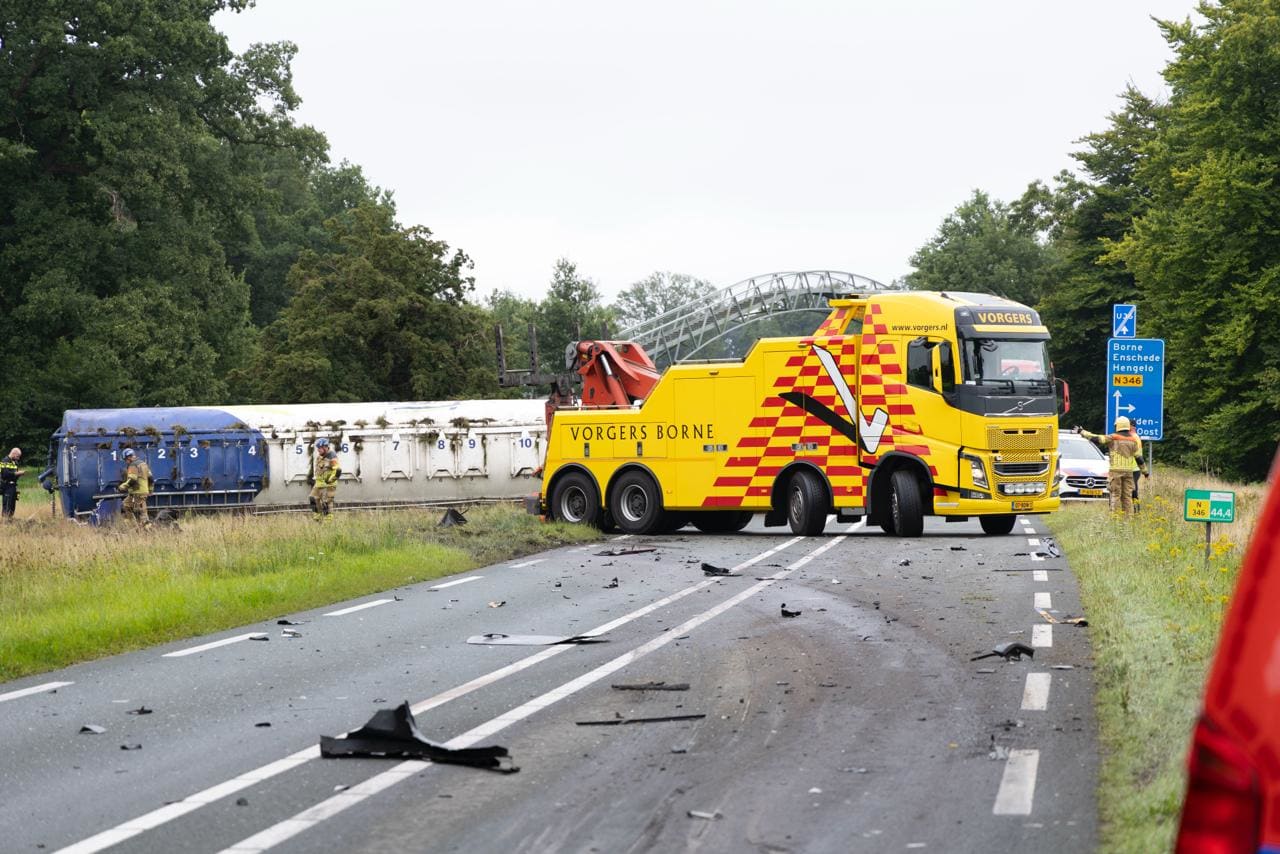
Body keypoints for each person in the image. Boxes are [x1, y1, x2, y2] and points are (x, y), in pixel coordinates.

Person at [1075, 417, 1148, 518]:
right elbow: (1139, 458)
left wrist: (1082, 432)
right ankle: (1128, 518)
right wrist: (1145, 472)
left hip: (1116, 472)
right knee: (1127, 496)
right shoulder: (1133, 440)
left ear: (1118, 426)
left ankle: (1116, 518)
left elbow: (1097, 438)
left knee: (1115, 495)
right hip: (1128, 472)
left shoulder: (1113, 437)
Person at [117, 448, 153, 528]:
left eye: (125, 459)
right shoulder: (144, 464)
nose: (126, 462)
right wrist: (150, 490)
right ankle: (132, 525)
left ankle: (148, 530)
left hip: (138, 492)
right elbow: (151, 478)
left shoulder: (133, 465)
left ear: (129, 457)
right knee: (125, 505)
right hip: (138, 492)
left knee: (141, 512)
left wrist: (122, 487)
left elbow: (132, 479)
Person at [309, 438, 341, 520]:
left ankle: (328, 520)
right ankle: (318, 517)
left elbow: (337, 470)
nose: (318, 450)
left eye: (319, 448)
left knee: (326, 503)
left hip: (329, 484)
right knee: (313, 498)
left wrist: (331, 480)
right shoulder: (320, 456)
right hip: (319, 483)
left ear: (325, 447)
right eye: (317, 448)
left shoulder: (332, 457)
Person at [1, 447, 26, 519]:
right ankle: (5, 522)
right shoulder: (4, 461)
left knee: (12, 506)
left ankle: (10, 520)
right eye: (17, 456)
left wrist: (19, 475)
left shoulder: (14, 462)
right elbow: (5, 474)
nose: (18, 458)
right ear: (13, 453)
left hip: (13, 486)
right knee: (7, 505)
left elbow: (13, 475)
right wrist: (17, 473)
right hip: (6, 486)